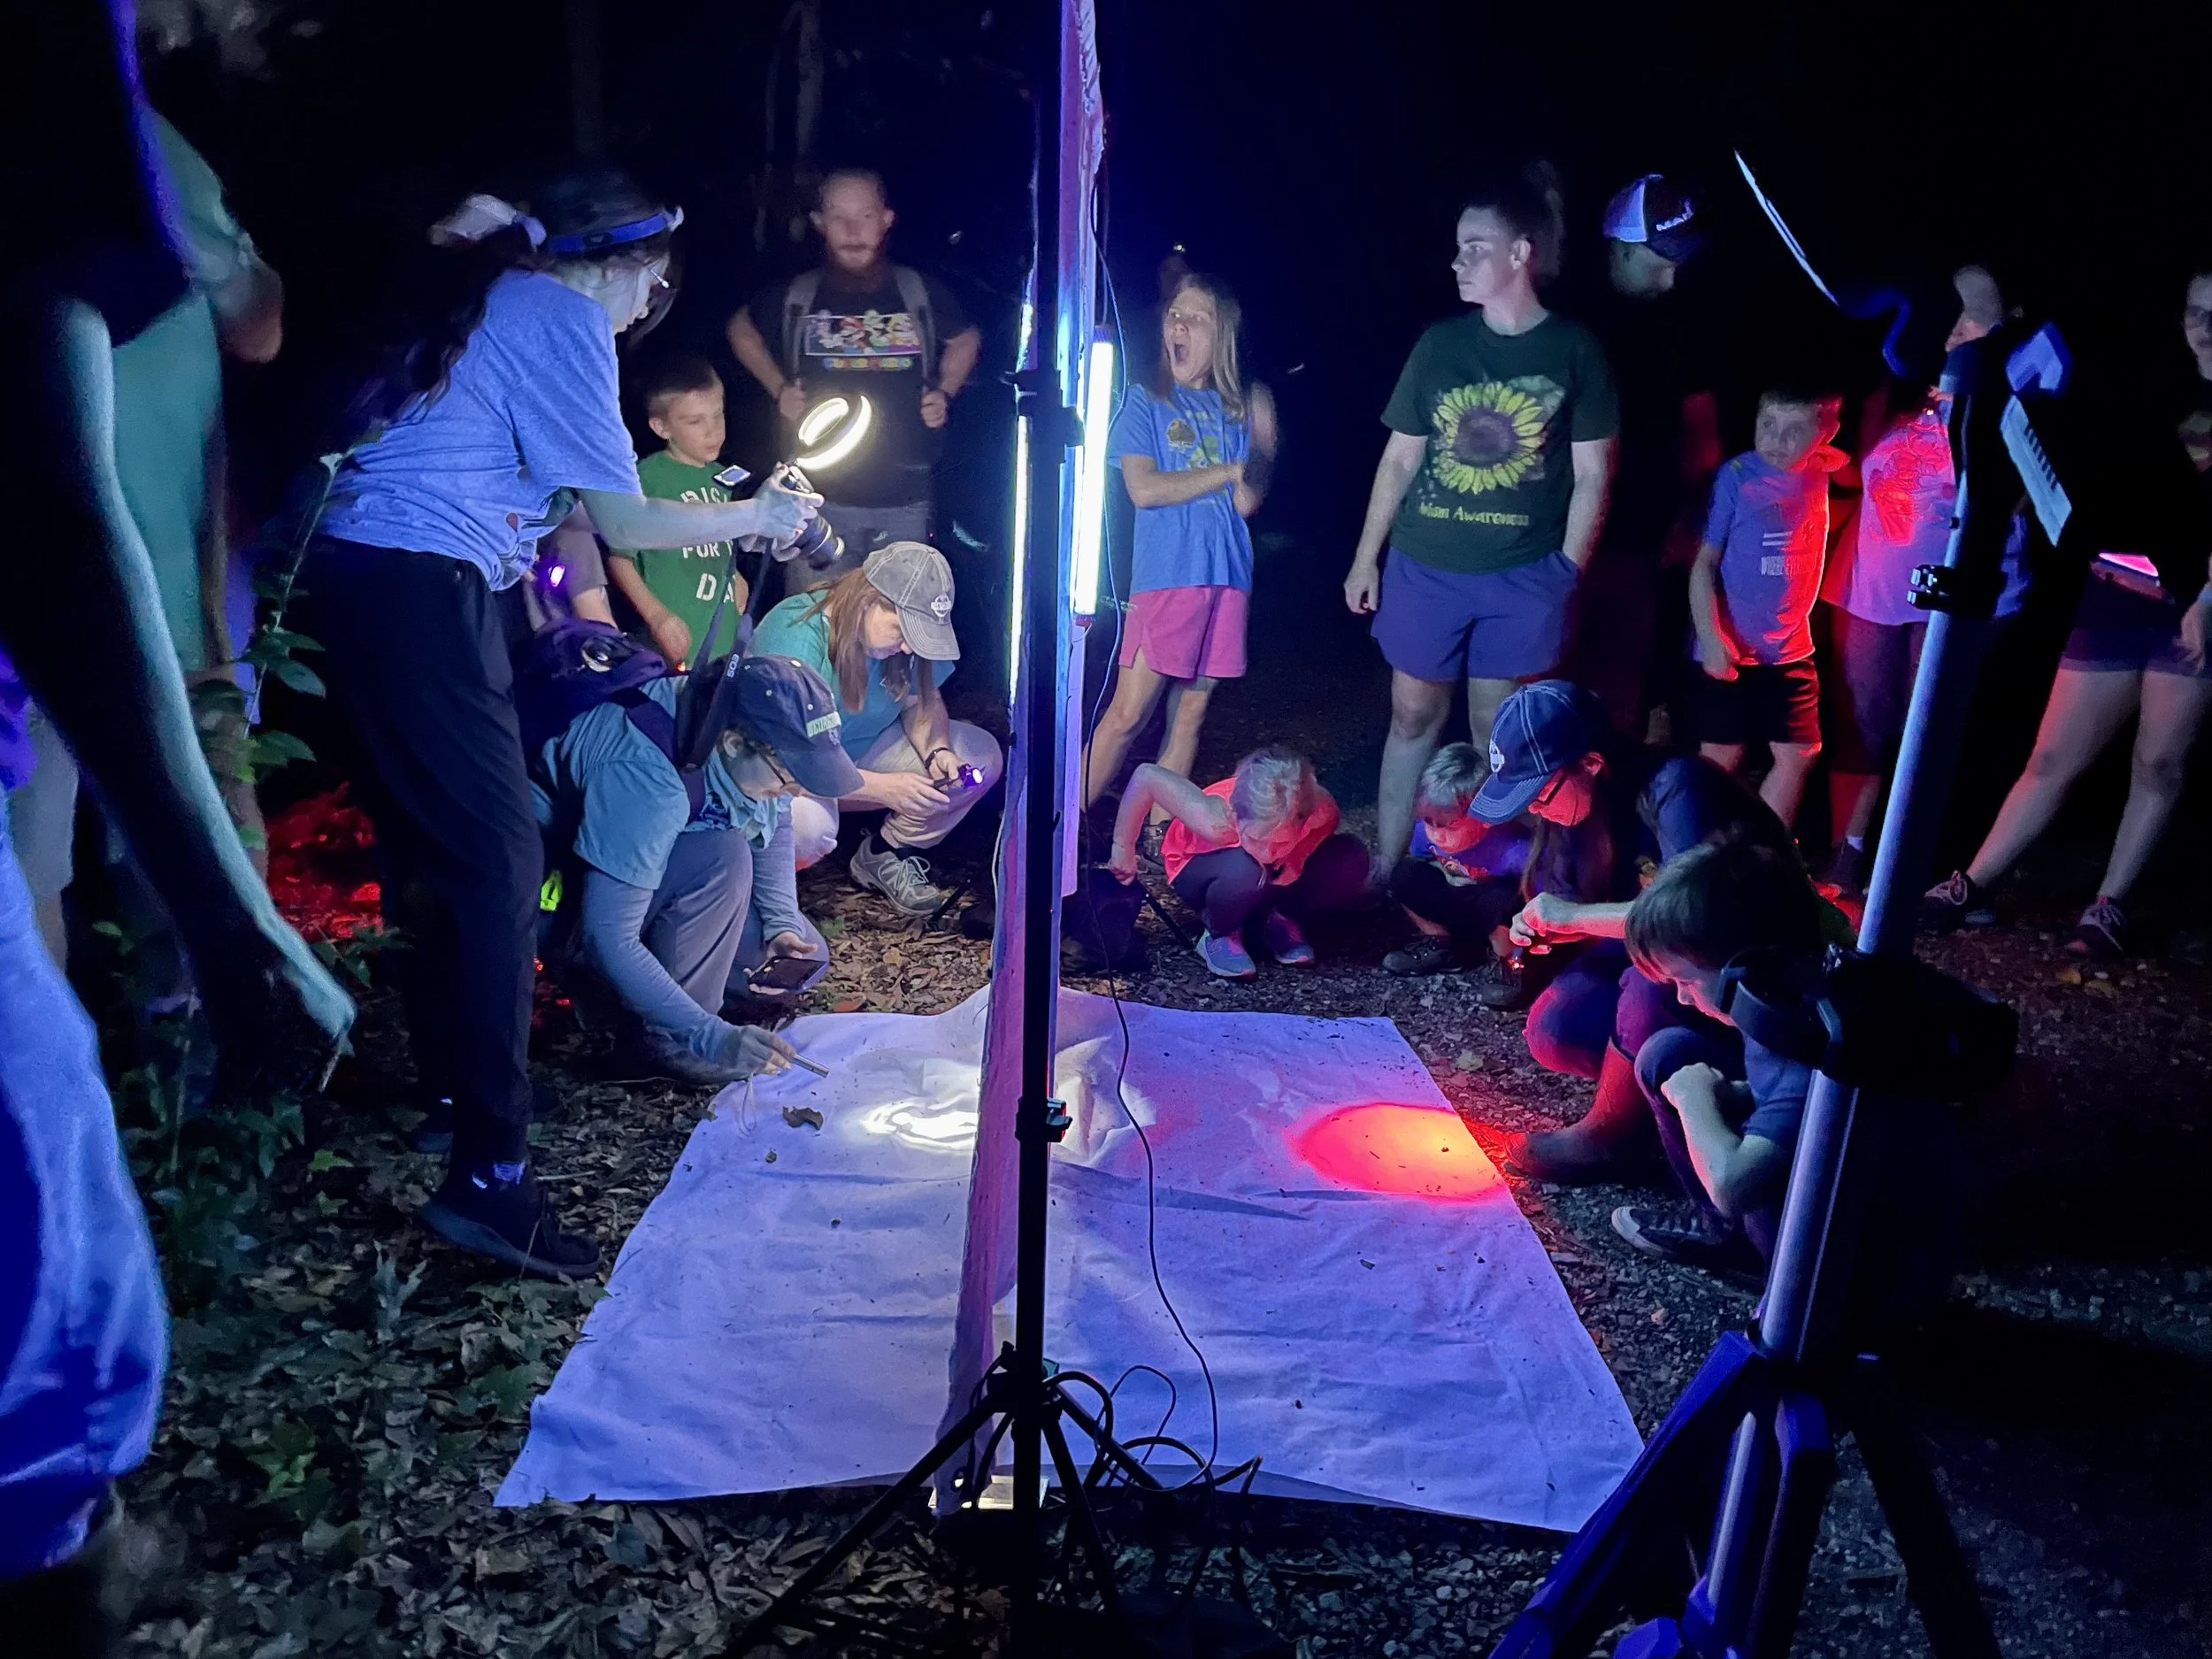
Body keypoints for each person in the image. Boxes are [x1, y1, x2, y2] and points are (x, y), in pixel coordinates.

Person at [300, 165, 822, 1279]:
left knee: (440, 851)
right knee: (496, 862)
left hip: (381, 578)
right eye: (653, 279)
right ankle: (491, 1178)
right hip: (417, 580)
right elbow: (625, 514)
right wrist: (764, 512)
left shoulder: (494, 305)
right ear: (617, 263)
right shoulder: (556, 312)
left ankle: (448, 1090)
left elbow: (536, 486)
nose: (650, 304)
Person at [1, 7, 351, 1644]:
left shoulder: (143, 121)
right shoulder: (75, 81)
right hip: (126, 621)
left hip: (156, 605)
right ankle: (57, 1538)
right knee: (38, 1171)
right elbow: (50, 510)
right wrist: (242, 930)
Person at [1923, 265, 2212, 958]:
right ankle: (1973, 881)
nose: (2207, 327)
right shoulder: (2153, 384)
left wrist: (2205, 598)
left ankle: (2109, 903)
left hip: (2194, 608)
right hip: (2115, 587)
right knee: (2053, 753)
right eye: (2199, 311)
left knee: (2159, 759)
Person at [1344, 173, 1618, 880]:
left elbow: (1594, 473)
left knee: (1500, 739)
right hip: (1426, 563)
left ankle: (1498, 886)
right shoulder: (1440, 346)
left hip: (1522, 574)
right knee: (1411, 716)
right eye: (1459, 249)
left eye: (1475, 248)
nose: (1458, 263)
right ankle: (1389, 869)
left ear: (1521, 252)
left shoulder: (1574, 351)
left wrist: (1565, 570)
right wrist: (1365, 556)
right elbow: (1401, 457)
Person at [1466, 680, 1807, 1184]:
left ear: (1592, 764)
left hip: (1747, 978)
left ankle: (1616, 1133)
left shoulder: (1678, 787)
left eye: (1538, 795)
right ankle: (1667, 1096)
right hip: (1659, 963)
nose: (1534, 811)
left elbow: (1691, 924)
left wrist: (1575, 919)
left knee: (1651, 975)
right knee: (1555, 1028)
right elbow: (1577, 902)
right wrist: (1549, 928)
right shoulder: (1576, 810)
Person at [536, 654, 856, 1085]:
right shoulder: (650, 781)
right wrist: (709, 1037)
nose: (793, 791)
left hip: (648, 868)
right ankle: (662, 1042)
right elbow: (607, 935)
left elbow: (774, 814)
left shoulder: (733, 721)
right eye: (787, 776)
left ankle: (653, 994)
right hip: (557, 904)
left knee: (804, 959)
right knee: (723, 856)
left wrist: (780, 923)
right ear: (732, 744)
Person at [727, 169, 983, 588]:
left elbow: (965, 338)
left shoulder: (916, 291)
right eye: (838, 216)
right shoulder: (798, 295)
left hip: (904, 498)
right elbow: (741, 327)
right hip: (815, 503)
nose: (852, 229)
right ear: (818, 224)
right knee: (813, 630)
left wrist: (944, 392)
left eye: (864, 215)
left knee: (902, 633)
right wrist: (778, 388)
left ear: (886, 219)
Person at [1081, 273, 1279, 811]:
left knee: (1190, 713)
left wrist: (1261, 440)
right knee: (1127, 715)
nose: (1179, 326)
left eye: (1196, 318)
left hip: (1229, 576)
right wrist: (1225, 471)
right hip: (1168, 575)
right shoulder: (1144, 402)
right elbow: (1144, 489)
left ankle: (1155, 839)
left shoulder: (1242, 406)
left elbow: (1247, 501)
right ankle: (1063, 831)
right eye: (1175, 315)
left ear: (1223, 337)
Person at [1608, 836, 1825, 1276]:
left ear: (1746, 967)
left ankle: (1767, 1266)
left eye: (1686, 981)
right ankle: (1721, 1234)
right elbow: (1776, 1099)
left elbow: (1732, 1186)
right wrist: (1737, 1092)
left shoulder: (1805, 1051)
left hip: (1824, 1247)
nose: (1683, 1000)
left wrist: (1695, 1099)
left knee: (1683, 1076)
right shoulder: (1779, 999)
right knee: (1667, 1054)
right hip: (1793, 1164)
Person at [754, 542, 1002, 916]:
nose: (907, 648)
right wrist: (884, 789)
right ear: (870, 599)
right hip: (789, 772)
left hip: (856, 754)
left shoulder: (897, 647)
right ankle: (763, 899)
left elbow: (922, 701)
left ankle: (886, 853)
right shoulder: (796, 635)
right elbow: (778, 761)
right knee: (808, 827)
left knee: (979, 757)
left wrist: (938, 752)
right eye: (902, 631)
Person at [1563, 173, 1721, 740]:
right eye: (1661, 259)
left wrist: (1695, 509)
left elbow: (1699, 418)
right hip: (1564, 535)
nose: (1673, 274)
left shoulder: (1680, 322)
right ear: (1621, 249)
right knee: (1552, 672)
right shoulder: (1570, 319)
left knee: (1622, 682)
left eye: (1679, 259)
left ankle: (1605, 800)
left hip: (1643, 536)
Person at [1689, 385, 1845, 830]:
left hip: (1791, 649)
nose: (1778, 440)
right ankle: (1700, 854)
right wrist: (1710, 637)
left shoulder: (1820, 470)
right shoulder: (1737, 475)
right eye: (1768, 425)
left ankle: (1764, 852)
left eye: (1795, 430)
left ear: (1825, 433)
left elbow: (1843, 463)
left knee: (1799, 753)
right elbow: (1703, 563)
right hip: (1732, 648)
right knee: (1721, 755)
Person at [1107, 747, 1369, 979]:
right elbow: (1147, 776)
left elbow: (1314, 839)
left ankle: (1279, 920)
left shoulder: (1321, 811)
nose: (1267, 851)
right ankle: (1220, 932)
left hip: (1270, 874)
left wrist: (1292, 867)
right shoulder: (1215, 819)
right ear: (1236, 816)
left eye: (1279, 842)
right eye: (1257, 838)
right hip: (1205, 867)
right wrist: (1123, 847)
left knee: (1349, 856)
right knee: (1247, 870)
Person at [604, 354, 744, 669]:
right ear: (661, 427)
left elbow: (720, 544)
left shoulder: (722, 478)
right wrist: (657, 616)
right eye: (695, 421)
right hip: (674, 640)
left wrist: (736, 575)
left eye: (718, 415)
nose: (713, 430)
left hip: (723, 636)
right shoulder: (646, 478)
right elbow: (620, 558)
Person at [1380, 741, 1532, 979]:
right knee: (1405, 875)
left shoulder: (1515, 849)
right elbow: (1422, 860)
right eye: (1429, 821)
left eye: (1447, 825)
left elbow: (1542, 896)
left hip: (1500, 919)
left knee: (1502, 900)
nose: (1436, 833)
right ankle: (1444, 947)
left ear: (1485, 817)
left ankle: (1512, 966)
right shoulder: (1425, 832)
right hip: (1461, 904)